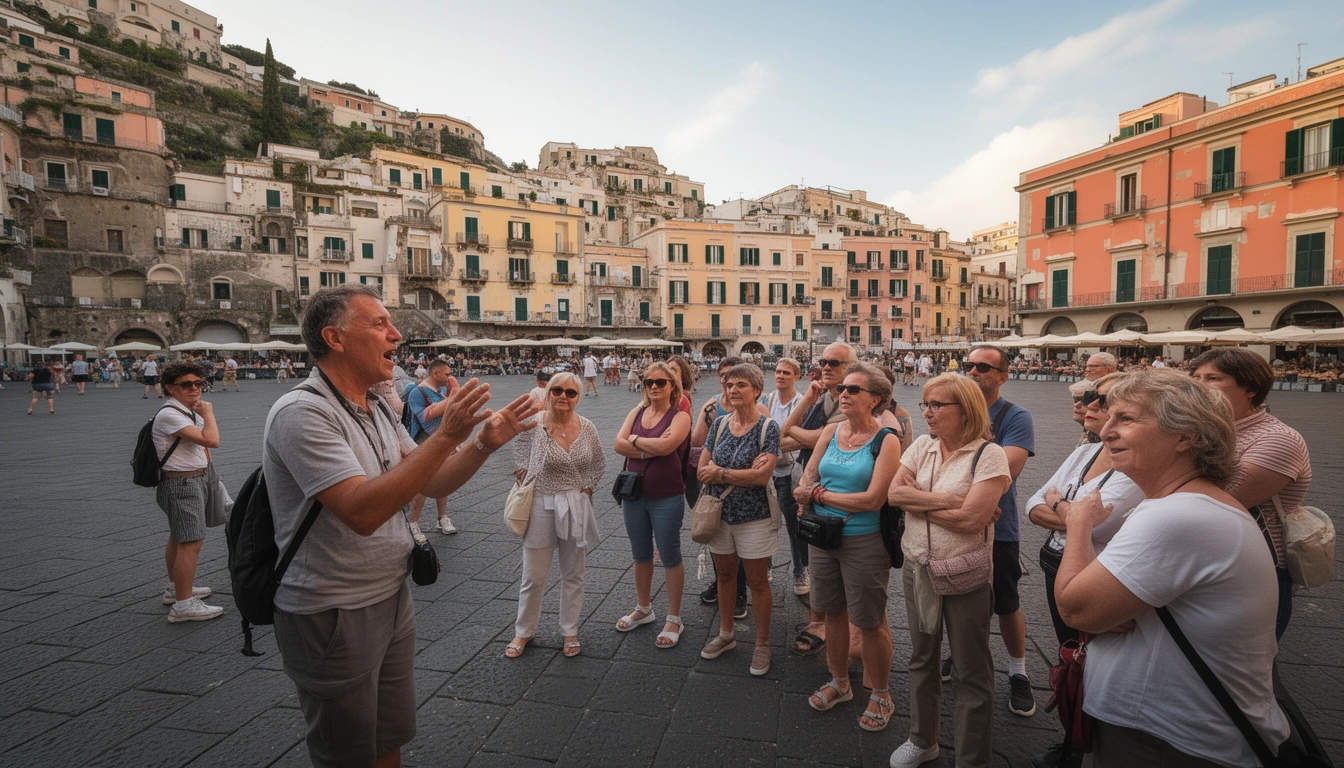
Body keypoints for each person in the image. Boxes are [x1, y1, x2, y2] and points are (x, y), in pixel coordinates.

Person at [264, 285, 540, 768]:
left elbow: (431, 481)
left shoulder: (375, 409)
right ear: (335, 338)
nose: (396, 334)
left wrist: (481, 444)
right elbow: (361, 511)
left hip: (391, 595)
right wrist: (448, 434)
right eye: (379, 324)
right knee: (347, 751)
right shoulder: (302, 413)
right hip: (332, 611)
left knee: (388, 735)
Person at [1055, 370, 1289, 767]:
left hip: (1166, 738)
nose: (1106, 430)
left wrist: (1078, 522)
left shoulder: (1178, 515)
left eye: (1126, 419)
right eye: (1108, 417)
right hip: (1172, 730)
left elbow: (1077, 608)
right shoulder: (1189, 503)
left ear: (1185, 436)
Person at [887, 373, 1011, 768]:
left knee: (971, 669)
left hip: (963, 571)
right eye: (925, 403)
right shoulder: (921, 446)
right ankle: (923, 740)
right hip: (917, 565)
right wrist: (951, 499)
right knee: (922, 657)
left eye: (937, 405)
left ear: (966, 410)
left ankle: (971, 760)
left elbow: (974, 521)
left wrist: (917, 501)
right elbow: (893, 494)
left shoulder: (988, 455)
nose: (927, 412)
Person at [1025, 374, 1146, 768]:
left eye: (1100, 400)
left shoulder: (1135, 465)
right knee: (1072, 656)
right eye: (1088, 397)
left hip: (1098, 574)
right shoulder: (1083, 453)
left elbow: (1101, 524)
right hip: (1055, 563)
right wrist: (1075, 515)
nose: (1089, 406)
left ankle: (1092, 745)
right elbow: (1031, 502)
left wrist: (1060, 506)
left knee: (1100, 661)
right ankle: (1075, 738)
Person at [795, 363, 902, 731]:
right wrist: (805, 488)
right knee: (831, 614)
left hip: (864, 540)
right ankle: (840, 681)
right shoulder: (832, 429)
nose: (843, 393)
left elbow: (875, 499)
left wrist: (820, 495)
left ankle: (881, 693)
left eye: (854, 389)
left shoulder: (886, 439)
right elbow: (810, 470)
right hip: (823, 536)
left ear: (875, 399)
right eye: (842, 388)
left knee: (870, 622)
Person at [1190, 348, 1311, 639]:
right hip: (1203, 557)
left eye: (1213, 378)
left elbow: (1220, 502)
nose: (1199, 386)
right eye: (1196, 377)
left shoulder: (1278, 439)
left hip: (1254, 567)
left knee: (1241, 664)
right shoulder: (1208, 430)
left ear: (1251, 388)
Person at [958, 345, 1036, 717]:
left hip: (998, 526)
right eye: (969, 365)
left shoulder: (1014, 416)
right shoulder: (953, 410)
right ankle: (960, 657)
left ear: (1003, 376)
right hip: (954, 523)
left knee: (1006, 602)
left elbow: (1007, 471)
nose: (973, 371)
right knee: (957, 597)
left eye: (983, 367)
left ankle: (1018, 671)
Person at [507, 372, 604, 658]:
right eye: (557, 390)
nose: (563, 396)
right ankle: (523, 631)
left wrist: (586, 491)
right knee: (533, 575)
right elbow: (521, 456)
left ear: (578, 397)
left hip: (575, 503)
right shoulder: (534, 425)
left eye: (570, 393)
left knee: (574, 573)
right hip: (541, 502)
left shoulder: (587, 427)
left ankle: (570, 630)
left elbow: (598, 463)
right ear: (548, 393)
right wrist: (523, 469)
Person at [696, 363, 780, 676]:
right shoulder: (718, 423)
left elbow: (761, 477)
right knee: (725, 577)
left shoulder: (767, 427)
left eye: (741, 385)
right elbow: (700, 469)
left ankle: (761, 643)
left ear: (757, 390)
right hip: (720, 514)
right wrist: (734, 474)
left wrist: (721, 472)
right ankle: (726, 634)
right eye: (730, 385)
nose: (733, 390)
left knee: (758, 582)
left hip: (754, 517)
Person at [612, 361, 692, 647]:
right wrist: (647, 446)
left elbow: (666, 447)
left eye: (660, 382)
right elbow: (617, 444)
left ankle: (674, 617)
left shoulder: (679, 416)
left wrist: (636, 442)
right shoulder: (637, 411)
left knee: (670, 554)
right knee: (640, 553)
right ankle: (643, 608)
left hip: (667, 494)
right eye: (649, 382)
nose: (654, 387)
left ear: (672, 385)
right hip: (634, 494)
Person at [154, 361, 226, 622]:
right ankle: (183, 606)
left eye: (199, 383)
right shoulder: (170, 414)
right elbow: (212, 440)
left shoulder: (184, 410)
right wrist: (208, 413)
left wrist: (209, 475)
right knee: (190, 542)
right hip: (181, 484)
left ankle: (176, 589)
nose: (195, 389)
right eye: (187, 384)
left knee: (178, 535)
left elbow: (202, 449)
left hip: (192, 479)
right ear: (170, 388)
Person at [764, 357, 807, 595]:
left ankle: (800, 572)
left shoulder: (802, 403)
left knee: (793, 525)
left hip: (790, 473)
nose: (780, 376)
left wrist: (777, 444)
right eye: (778, 372)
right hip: (769, 473)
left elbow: (803, 437)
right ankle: (766, 566)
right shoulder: (768, 400)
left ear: (797, 377)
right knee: (767, 524)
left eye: (786, 373)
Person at [406, 360, 457, 536]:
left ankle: (442, 517)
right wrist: (454, 398)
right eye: (447, 374)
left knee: (443, 480)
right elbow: (426, 416)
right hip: (424, 441)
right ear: (435, 374)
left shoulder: (442, 390)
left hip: (442, 439)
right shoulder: (416, 393)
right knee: (422, 484)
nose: (449, 378)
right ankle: (413, 523)